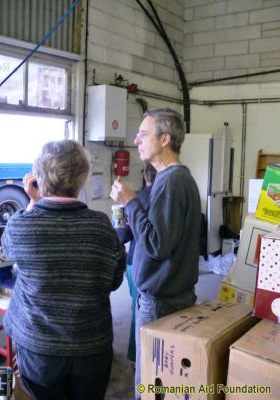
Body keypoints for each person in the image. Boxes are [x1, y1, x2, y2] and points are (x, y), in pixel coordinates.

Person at [2, 140, 126, 400]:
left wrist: (34, 201)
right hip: (91, 349)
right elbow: (114, 281)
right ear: (82, 178)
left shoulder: (21, 227)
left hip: (39, 352)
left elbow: (10, 250)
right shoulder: (103, 227)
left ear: (38, 177)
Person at [110, 108, 201, 399]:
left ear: (164, 139)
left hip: (162, 300)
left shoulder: (172, 181)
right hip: (173, 293)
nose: (136, 140)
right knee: (165, 378)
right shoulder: (174, 178)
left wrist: (130, 202)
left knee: (150, 380)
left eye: (143, 133)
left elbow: (156, 244)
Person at [115, 162, 156, 365]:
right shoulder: (166, 198)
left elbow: (122, 236)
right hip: (159, 264)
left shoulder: (134, 198)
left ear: (144, 175)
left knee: (137, 310)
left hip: (135, 262)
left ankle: (135, 357)